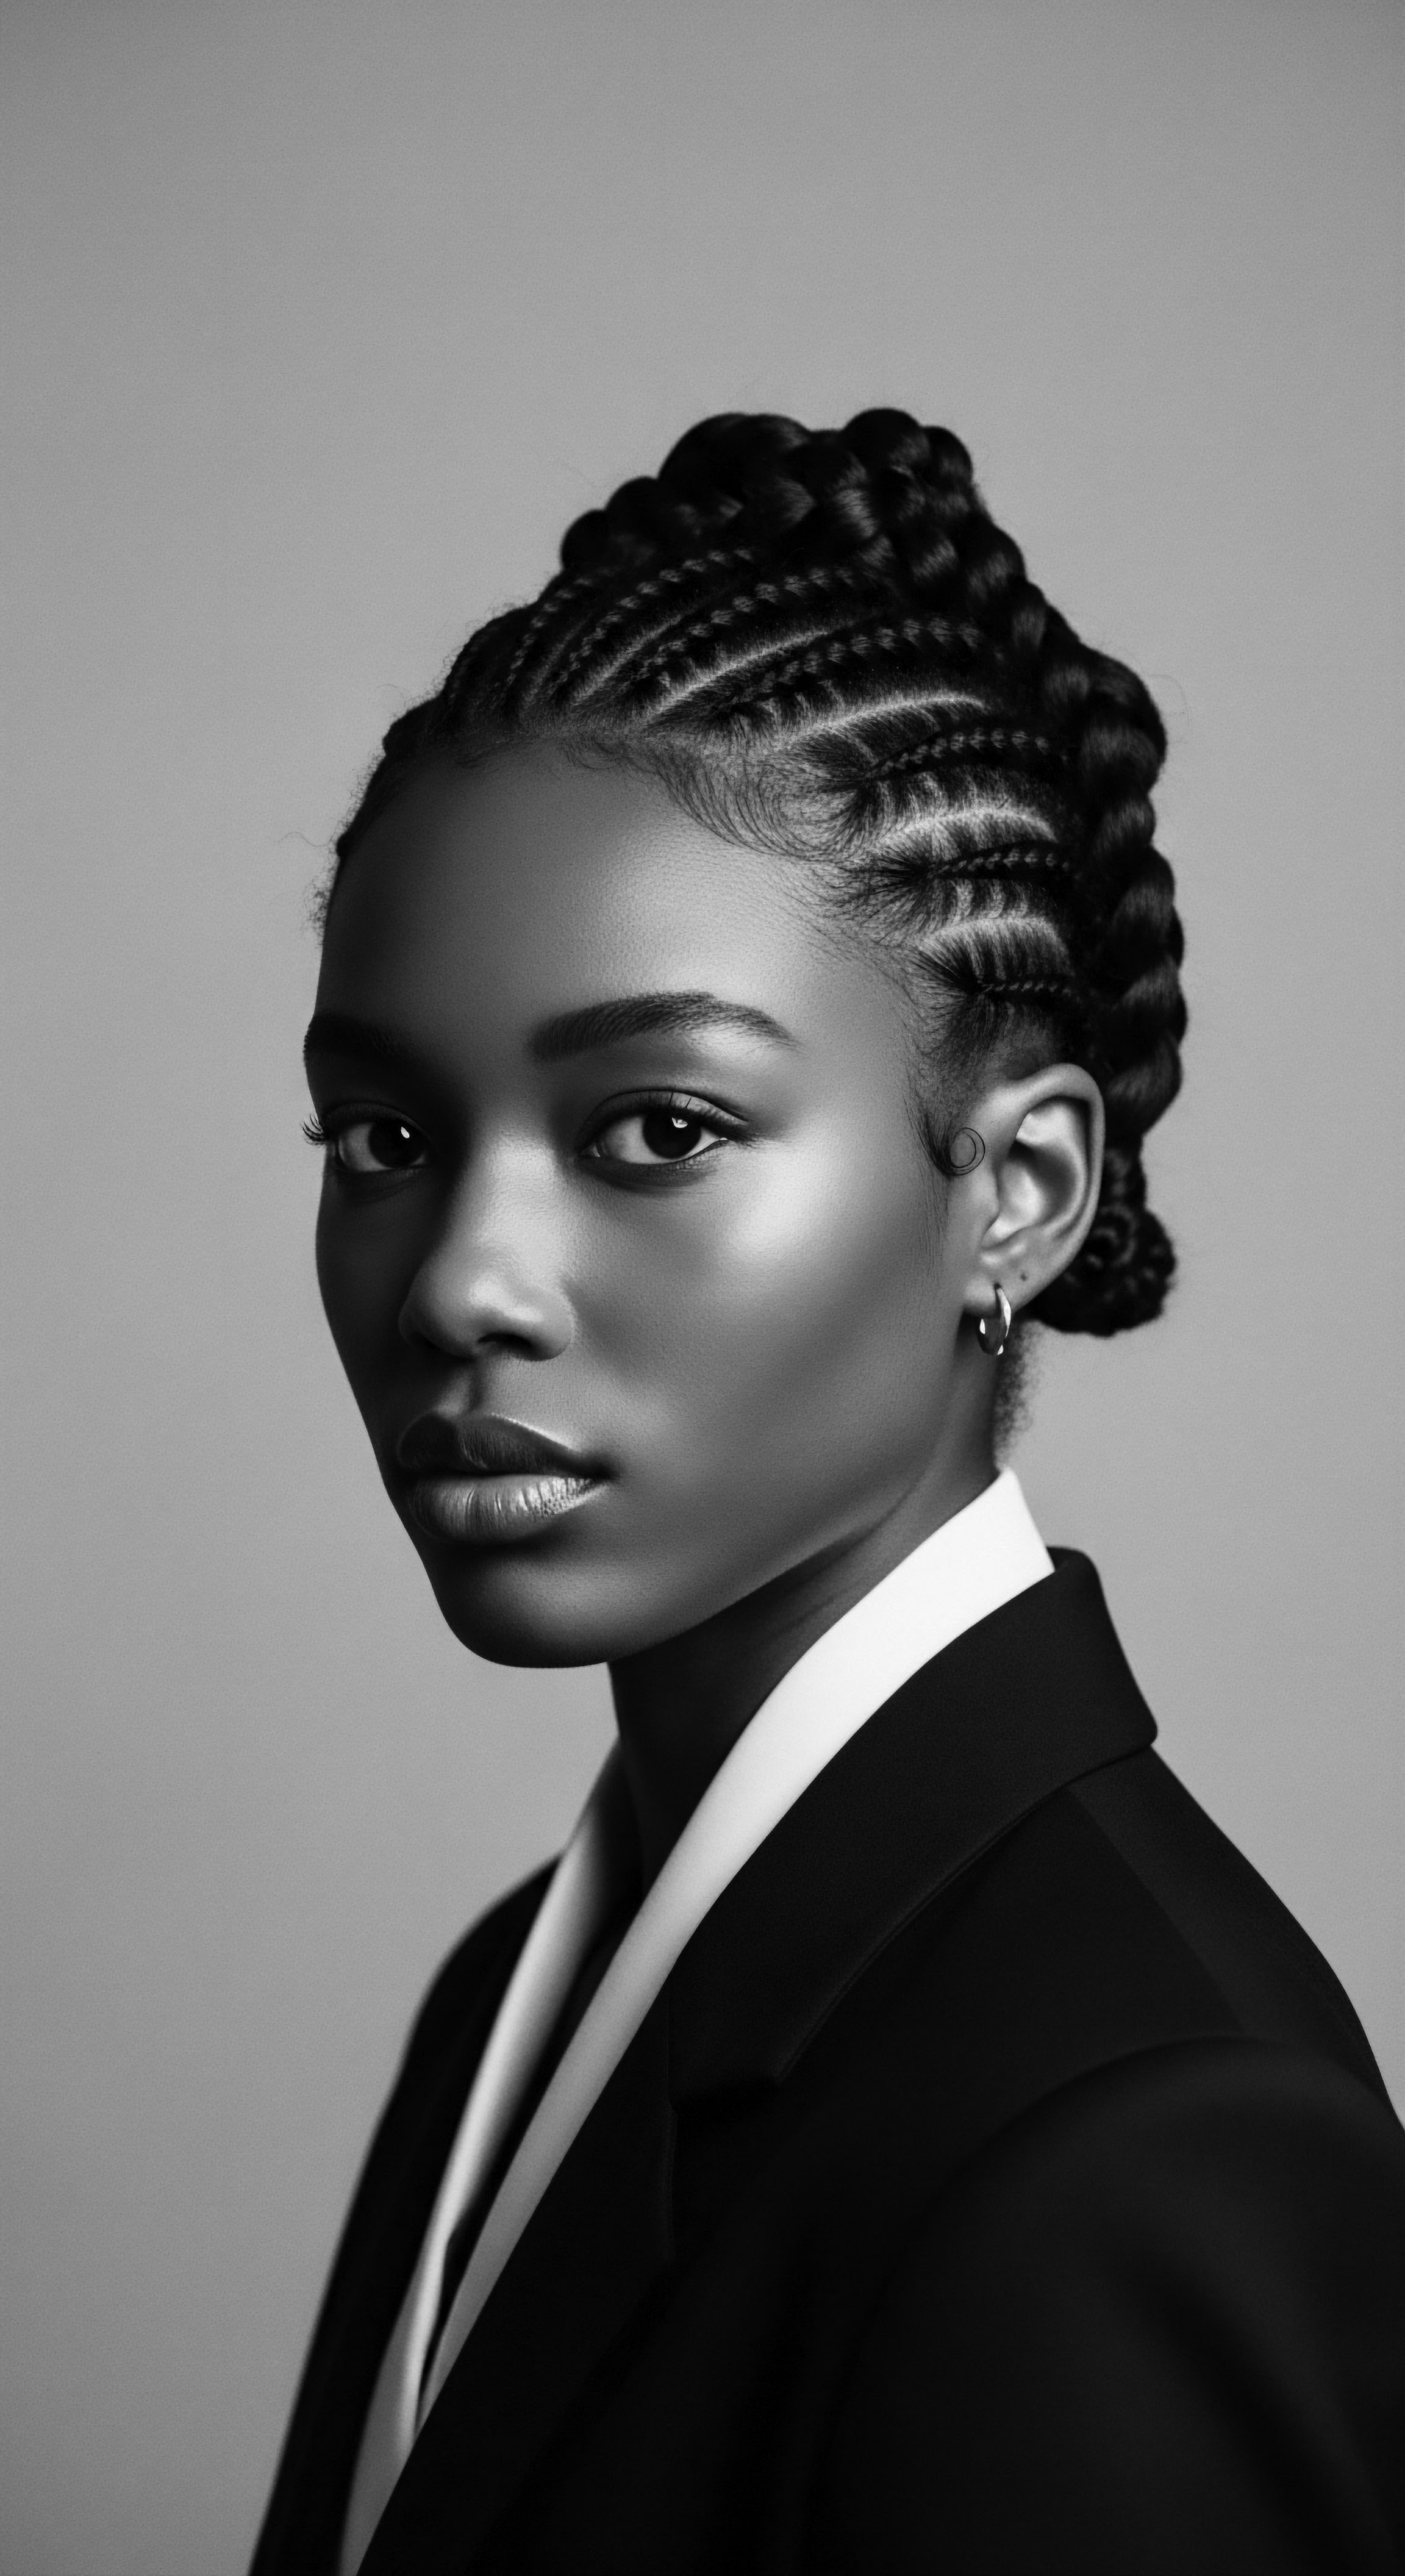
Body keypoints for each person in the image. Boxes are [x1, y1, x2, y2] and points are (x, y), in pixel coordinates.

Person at [252, 412, 1404, 2575]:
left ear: (1019, 1194)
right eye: (384, 1140)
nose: (466, 1285)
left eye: (659, 1127)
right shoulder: (528, 1989)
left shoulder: (1139, 2146)